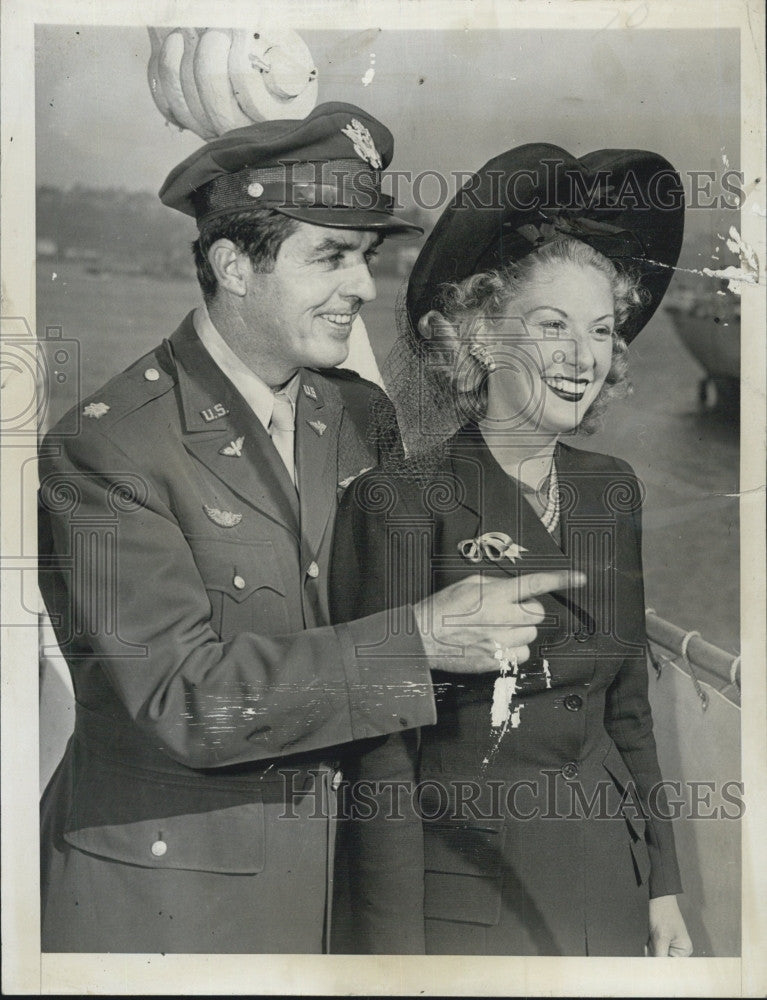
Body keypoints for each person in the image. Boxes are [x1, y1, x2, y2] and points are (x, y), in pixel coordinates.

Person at [37, 106, 577, 954]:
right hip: (169, 905)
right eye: (329, 257)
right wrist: (419, 641)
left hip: (343, 890)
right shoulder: (106, 447)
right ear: (232, 266)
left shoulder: (360, 415)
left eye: (365, 258)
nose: (363, 288)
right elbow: (184, 697)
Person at [330, 143, 695, 956]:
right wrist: (395, 957)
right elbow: (380, 760)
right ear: (481, 337)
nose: (582, 357)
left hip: (611, 882)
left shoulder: (611, 488)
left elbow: (626, 708)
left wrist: (663, 885)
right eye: (552, 326)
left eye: (600, 330)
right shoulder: (397, 501)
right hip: (474, 903)